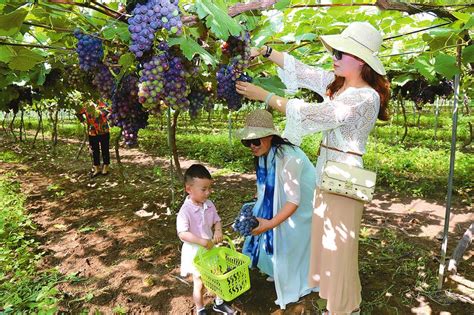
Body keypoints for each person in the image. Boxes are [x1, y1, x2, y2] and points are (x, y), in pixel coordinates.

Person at [236, 22, 390, 315]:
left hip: (343, 177)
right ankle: (335, 302)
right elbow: (306, 72)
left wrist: (266, 97)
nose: (334, 56)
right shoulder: (341, 85)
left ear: (360, 61)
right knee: (329, 243)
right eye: (335, 51)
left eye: (341, 53)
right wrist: (267, 52)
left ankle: (346, 308)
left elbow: (316, 114)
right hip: (328, 173)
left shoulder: (364, 97)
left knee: (340, 248)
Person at [238, 109, 318, 310]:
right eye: (248, 142)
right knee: (278, 236)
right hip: (289, 203)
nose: (252, 146)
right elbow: (263, 189)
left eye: (256, 141)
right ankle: (279, 272)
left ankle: (297, 282)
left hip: (305, 206)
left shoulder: (288, 157)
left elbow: (293, 201)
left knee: (291, 239)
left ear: (270, 136)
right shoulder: (265, 156)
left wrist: (269, 223)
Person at [176, 164, 235, 315]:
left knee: (217, 274)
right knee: (199, 281)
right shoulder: (186, 210)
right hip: (196, 250)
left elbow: (217, 220)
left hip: (210, 247)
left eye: (209, 188)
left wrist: (218, 230)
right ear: (189, 189)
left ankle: (219, 302)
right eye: (203, 189)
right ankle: (200, 308)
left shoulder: (209, 205)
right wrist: (201, 241)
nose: (208, 193)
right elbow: (182, 233)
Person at [76, 100, 111, 177]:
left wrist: (107, 117)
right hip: (93, 132)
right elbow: (78, 112)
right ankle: (97, 167)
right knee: (95, 150)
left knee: (105, 149)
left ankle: (106, 166)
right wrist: (83, 121)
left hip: (104, 131)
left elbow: (110, 112)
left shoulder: (103, 103)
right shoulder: (87, 104)